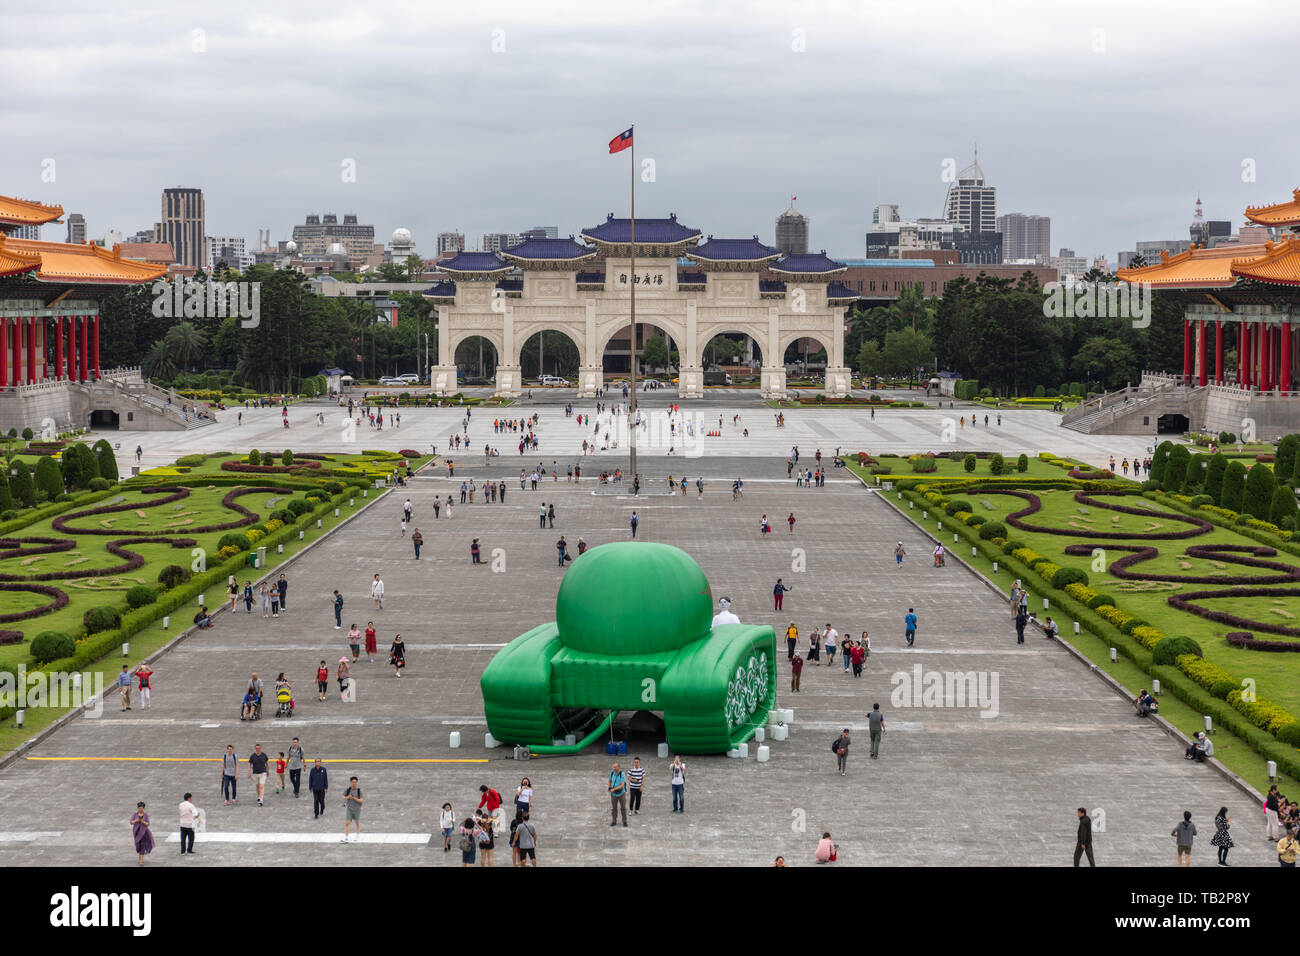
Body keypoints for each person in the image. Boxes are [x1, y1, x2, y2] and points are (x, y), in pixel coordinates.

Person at [341, 776, 364, 842]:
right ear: (350, 782)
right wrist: (348, 797)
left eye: (355, 782)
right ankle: (346, 837)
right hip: (349, 809)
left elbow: (361, 800)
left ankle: (357, 835)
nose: (354, 783)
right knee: (347, 823)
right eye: (353, 782)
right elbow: (343, 797)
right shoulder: (347, 790)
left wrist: (354, 798)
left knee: (357, 823)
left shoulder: (359, 791)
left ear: (357, 783)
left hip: (357, 809)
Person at [608, 762, 628, 827]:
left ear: (618, 767)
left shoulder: (622, 774)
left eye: (615, 767)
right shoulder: (612, 773)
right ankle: (614, 821)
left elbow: (622, 785)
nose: (614, 768)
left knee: (623, 808)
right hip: (613, 794)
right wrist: (609, 787)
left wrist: (614, 789)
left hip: (621, 793)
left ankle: (624, 821)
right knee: (614, 808)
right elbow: (609, 781)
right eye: (613, 767)